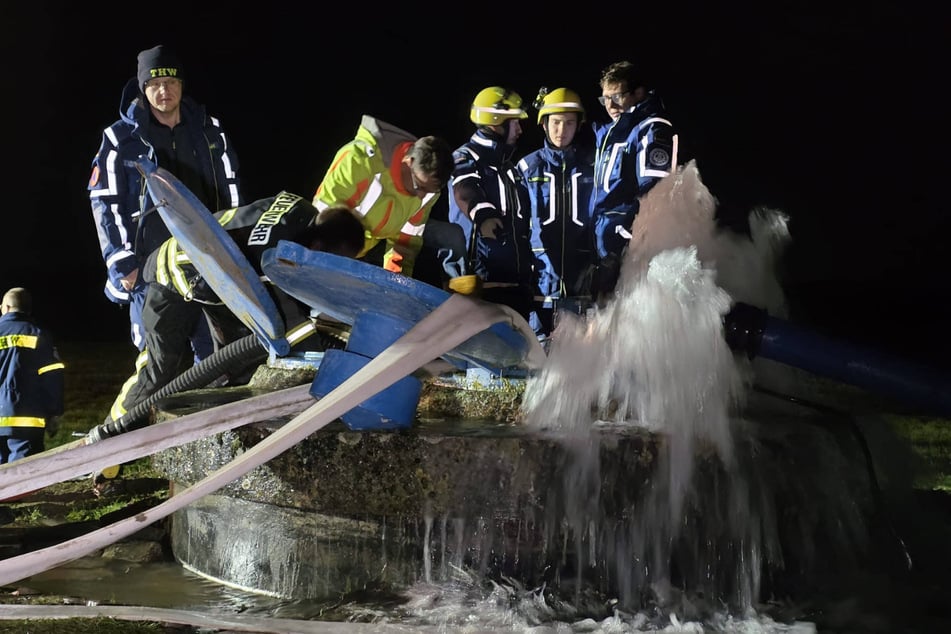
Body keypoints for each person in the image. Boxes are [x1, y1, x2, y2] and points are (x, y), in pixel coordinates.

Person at [105, 194, 364, 430]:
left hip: (217, 279)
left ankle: (220, 431)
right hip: (173, 273)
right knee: (159, 371)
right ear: (319, 247)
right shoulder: (273, 258)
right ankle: (109, 440)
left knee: (237, 364)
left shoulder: (301, 209)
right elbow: (294, 330)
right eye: (334, 262)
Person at [88, 44, 242, 359]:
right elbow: (105, 202)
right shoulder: (120, 139)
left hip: (206, 263)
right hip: (150, 269)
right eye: (154, 84)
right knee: (160, 364)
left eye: (170, 82)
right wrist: (123, 264)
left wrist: (237, 244)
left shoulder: (209, 131)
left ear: (181, 85)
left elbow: (232, 190)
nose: (163, 90)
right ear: (143, 89)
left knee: (218, 360)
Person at [312, 116, 465, 283]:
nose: (421, 196)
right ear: (407, 161)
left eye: (430, 191)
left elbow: (406, 241)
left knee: (453, 236)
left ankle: (458, 293)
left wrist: (396, 281)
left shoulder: (428, 189)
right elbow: (324, 222)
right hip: (339, 243)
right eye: (419, 187)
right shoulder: (359, 160)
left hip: (378, 242)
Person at [591, 60, 679, 301]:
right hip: (605, 247)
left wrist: (619, 250)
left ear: (638, 93)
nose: (609, 105)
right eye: (605, 98)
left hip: (631, 253)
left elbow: (654, 197)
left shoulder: (651, 128)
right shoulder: (611, 133)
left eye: (616, 96)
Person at [448, 86, 534, 321]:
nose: (519, 129)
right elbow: (465, 189)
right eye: (515, 122)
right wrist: (484, 215)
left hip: (516, 286)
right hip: (479, 286)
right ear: (496, 122)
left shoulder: (509, 168)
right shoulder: (465, 157)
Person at [517, 87, 596, 338]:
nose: (562, 131)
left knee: (581, 356)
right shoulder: (527, 167)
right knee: (538, 355)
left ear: (579, 125)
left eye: (569, 123)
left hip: (582, 281)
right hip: (540, 281)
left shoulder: (592, 167)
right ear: (544, 124)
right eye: (556, 123)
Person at [0, 288, 65, 463]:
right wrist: (54, 412)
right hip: (27, 418)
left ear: (5, 307)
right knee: (23, 474)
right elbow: (52, 376)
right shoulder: (38, 334)